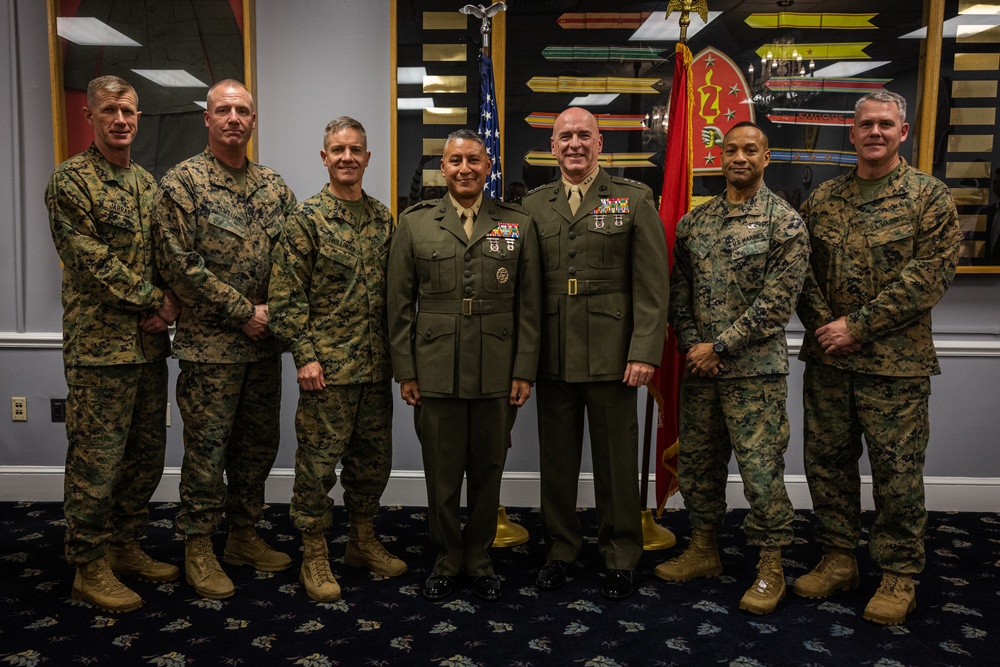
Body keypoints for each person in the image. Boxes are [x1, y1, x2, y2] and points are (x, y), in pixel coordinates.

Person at [794, 90, 960, 625]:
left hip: (896, 366)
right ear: (853, 132)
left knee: (897, 472)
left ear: (903, 132)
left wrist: (856, 327)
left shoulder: (928, 197)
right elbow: (802, 272)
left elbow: (929, 276)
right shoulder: (823, 199)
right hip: (829, 363)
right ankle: (839, 557)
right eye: (866, 124)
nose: (875, 133)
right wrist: (826, 329)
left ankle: (898, 574)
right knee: (827, 465)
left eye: (886, 124)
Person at [652, 122, 810, 615]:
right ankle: (703, 548)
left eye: (750, 150)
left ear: (767, 158)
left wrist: (719, 345)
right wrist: (696, 344)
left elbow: (777, 303)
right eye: (731, 149)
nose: (739, 157)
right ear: (719, 157)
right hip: (701, 371)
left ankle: (770, 565)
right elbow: (679, 292)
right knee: (699, 464)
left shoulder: (784, 223)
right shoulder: (695, 224)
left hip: (753, 373)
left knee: (761, 474)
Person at [153, 79, 297, 599]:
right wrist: (242, 312)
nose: (233, 118)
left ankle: (243, 536)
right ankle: (198, 547)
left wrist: (271, 316)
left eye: (242, 110)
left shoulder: (275, 187)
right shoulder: (182, 183)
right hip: (210, 349)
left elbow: (292, 262)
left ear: (253, 121)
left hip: (262, 348)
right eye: (223, 110)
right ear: (207, 120)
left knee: (257, 449)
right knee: (207, 454)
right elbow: (178, 264)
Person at [45, 75, 182, 613]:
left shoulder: (148, 184)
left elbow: (167, 255)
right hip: (100, 352)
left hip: (147, 350)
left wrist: (171, 297)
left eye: (128, 111)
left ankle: (125, 546)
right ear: (91, 117)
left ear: (138, 117)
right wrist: (157, 300)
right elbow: (91, 262)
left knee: (144, 458)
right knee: (96, 462)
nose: (120, 120)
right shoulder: (71, 182)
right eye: (109, 111)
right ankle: (88, 565)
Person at [520, 107, 669, 600]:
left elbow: (652, 285)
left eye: (585, 135)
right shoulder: (534, 206)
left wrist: (644, 350)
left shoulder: (632, 199)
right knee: (557, 464)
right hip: (554, 356)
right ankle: (561, 549)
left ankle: (620, 555)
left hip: (614, 357)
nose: (575, 144)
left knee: (616, 464)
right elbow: (524, 290)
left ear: (600, 144)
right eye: (565, 136)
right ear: (553, 145)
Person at [387, 129, 541, 602]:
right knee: (442, 470)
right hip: (434, 368)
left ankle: (478, 557)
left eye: (474, 160)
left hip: (496, 368)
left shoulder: (516, 223)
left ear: (488, 165)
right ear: (443, 167)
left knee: (489, 468)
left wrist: (523, 370)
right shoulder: (415, 224)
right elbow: (397, 305)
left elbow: (530, 305)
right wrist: (406, 370)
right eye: (455, 160)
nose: (464, 169)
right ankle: (447, 557)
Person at [269, 117, 406, 602]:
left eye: (355, 149)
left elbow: (396, 293)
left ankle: (362, 541)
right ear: (324, 158)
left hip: (374, 370)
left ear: (368, 158)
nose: (347, 157)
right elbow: (287, 298)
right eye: (337, 149)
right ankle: (314, 552)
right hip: (326, 372)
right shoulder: (305, 219)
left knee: (372, 464)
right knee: (317, 468)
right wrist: (304, 357)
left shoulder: (383, 218)